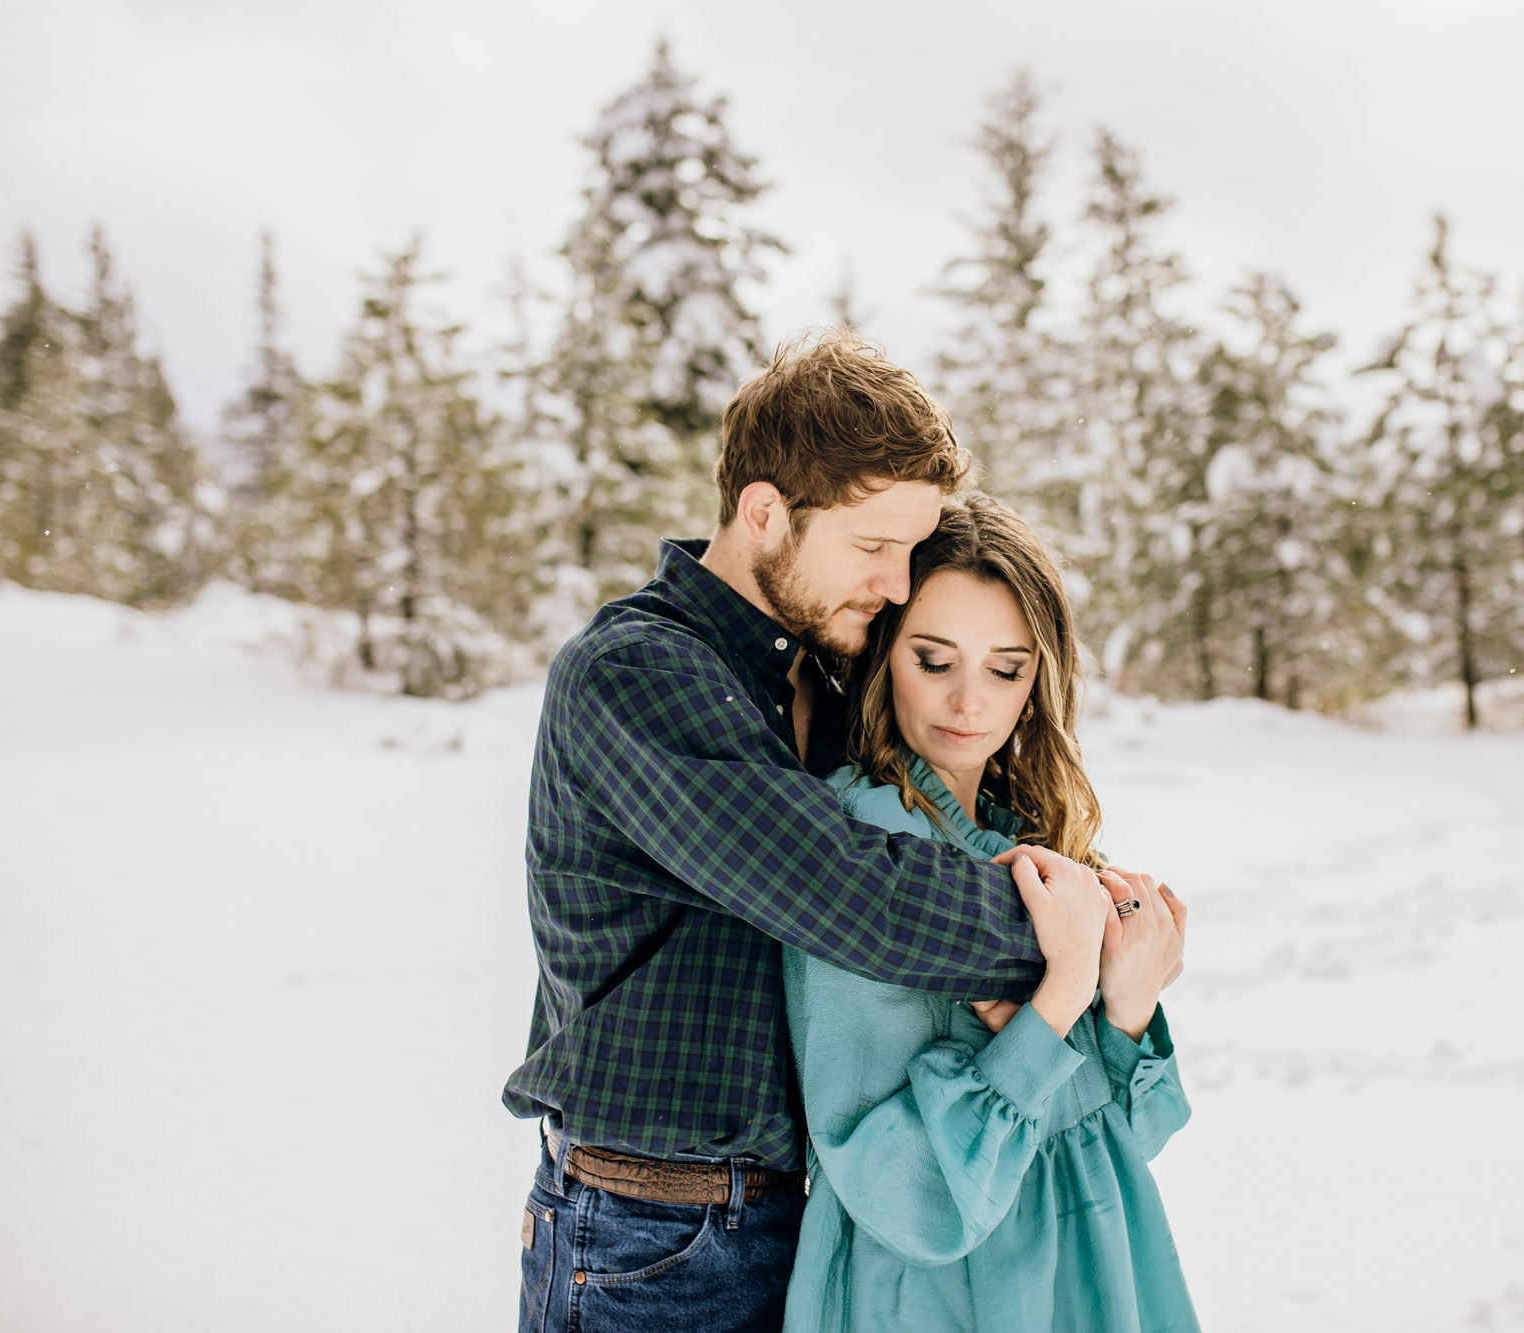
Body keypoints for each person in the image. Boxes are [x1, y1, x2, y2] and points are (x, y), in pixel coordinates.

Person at [504, 331, 1129, 1333]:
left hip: (804, 1229)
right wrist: (1073, 934)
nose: (891, 583)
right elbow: (847, 889)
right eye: (873, 546)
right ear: (763, 512)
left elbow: (941, 825)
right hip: (647, 1235)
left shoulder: (822, 682)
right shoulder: (635, 676)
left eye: (907, 553)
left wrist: (1106, 911)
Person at [783, 494, 1200, 1333]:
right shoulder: (872, 847)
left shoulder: (1028, 838)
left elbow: (1125, 1133)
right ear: (883, 656)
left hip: (1085, 1265)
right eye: (933, 660)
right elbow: (903, 1193)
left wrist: (1124, 1009)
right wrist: (1061, 997)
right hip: (936, 1295)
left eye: (1005, 669)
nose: (969, 703)